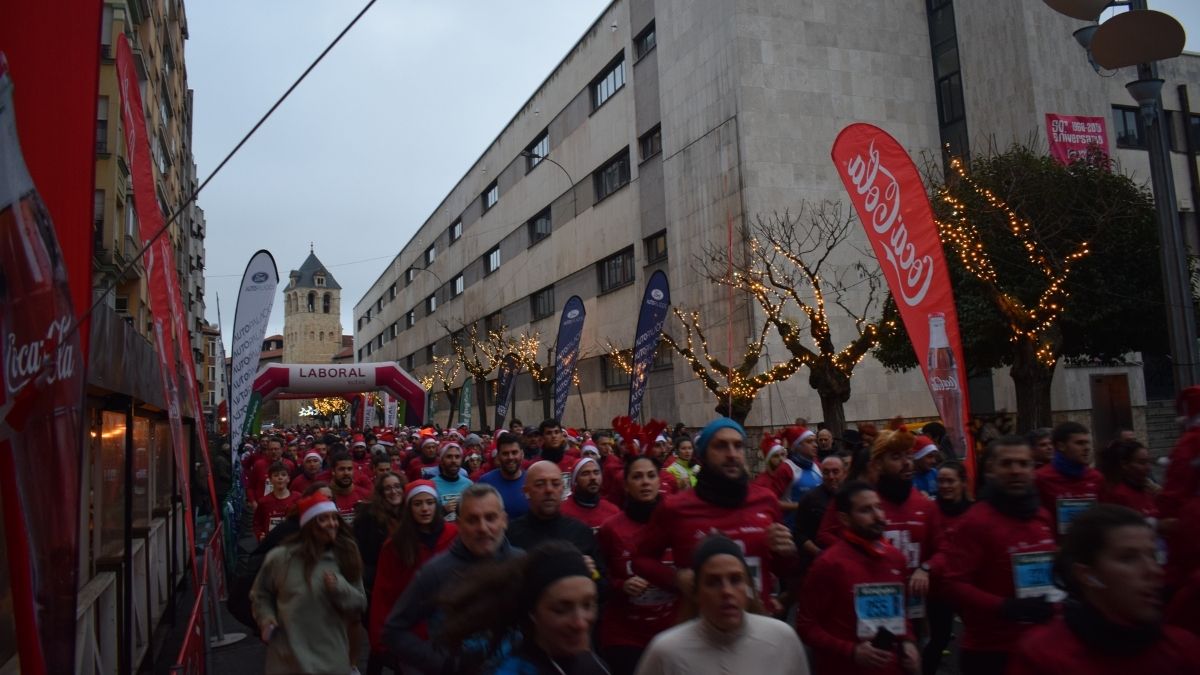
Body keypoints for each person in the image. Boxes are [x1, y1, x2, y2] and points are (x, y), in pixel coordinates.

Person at [1008, 505, 1200, 674]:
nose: (1154, 571)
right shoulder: (1043, 656)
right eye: (1128, 558)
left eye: (1153, 556)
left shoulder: (1182, 649)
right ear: (1087, 575)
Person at [634, 417, 799, 611]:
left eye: (738, 446)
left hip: (755, 623)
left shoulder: (766, 501)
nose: (731, 454)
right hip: (701, 626)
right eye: (720, 446)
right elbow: (640, 560)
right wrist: (675, 578)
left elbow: (783, 569)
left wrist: (787, 553)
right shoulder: (675, 507)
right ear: (703, 455)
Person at [940, 436, 1057, 675]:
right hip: (991, 652)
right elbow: (952, 584)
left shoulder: (1042, 517)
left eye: (1023, 464)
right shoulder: (974, 522)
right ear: (991, 470)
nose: (1016, 471)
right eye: (1007, 464)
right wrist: (1005, 607)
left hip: (1043, 644)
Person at [382, 483, 523, 674]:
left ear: (504, 520)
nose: (482, 528)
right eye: (472, 520)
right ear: (459, 525)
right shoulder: (435, 572)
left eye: (490, 518)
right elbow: (394, 630)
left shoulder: (521, 563)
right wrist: (442, 663)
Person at [636, 535, 810, 675]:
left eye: (735, 580)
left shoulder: (782, 638)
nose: (727, 591)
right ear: (696, 593)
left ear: (748, 586)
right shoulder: (666, 651)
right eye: (713, 582)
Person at [816, 428, 939, 621]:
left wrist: (926, 568)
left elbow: (942, 548)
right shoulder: (860, 503)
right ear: (878, 464)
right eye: (896, 457)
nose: (907, 463)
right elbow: (827, 537)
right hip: (866, 605)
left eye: (909, 455)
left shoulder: (925, 504)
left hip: (913, 606)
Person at [797, 482, 918, 674]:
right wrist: (852, 651)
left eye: (879, 507)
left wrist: (908, 641)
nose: (878, 516)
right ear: (844, 519)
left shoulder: (896, 559)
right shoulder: (828, 564)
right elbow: (806, 627)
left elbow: (900, 614)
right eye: (865, 510)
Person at [439, 542, 609, 674]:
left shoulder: (592, 665)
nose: (580, 623)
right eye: (561, 609)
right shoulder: (511, 670)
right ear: (533, 612)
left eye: (587, 605)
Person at [250, 493, 367, 675]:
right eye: (324, 519)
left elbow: (360, 603)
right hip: (287, 660)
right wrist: (266, 620)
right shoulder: (280, 558)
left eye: (334, 518)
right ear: (309, 525)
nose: (332, 524)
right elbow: (261, 594)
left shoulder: (346, 556)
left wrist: (339, 587)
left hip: (331, 659)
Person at [596, 456, 679, 674]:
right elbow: (599, 577)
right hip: (625, 635)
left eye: (651, 476)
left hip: (672, 630)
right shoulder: (611, 529)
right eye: (637, 476)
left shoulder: (678, 523)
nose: (645, 482)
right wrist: (621, 585)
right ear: (626, 485)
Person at [367, 480, 457, 675]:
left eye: (429, 503)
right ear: (409, 508)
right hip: (413, 636)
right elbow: (384, 594)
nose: (424, 509)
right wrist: (381, 641)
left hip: (453, 631)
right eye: (417, 504)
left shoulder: (455, 535)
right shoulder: (395, 545)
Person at [507, 461, 604, 577]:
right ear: (526, 491)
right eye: (540, 484)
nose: (549, 490)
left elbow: (601, 582)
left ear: (563, 489)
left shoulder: (581, 533)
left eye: (555, 484)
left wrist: (589, 574)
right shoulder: (510, 536)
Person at [921, 460, 973, 675]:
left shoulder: (974, 511)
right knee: (940, 638)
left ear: (962, 482)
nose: (945, 486)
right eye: (941, 481)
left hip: (968, 587)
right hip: (939, 588)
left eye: (950, 481)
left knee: (976, 636)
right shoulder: (930, 512)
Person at [1035, 421, 1103, 538]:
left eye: (1088, 443)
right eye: (1080, 443)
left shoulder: (1096, 477)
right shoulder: (1040, 478)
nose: (1086, 448)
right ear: (1061, 446)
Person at [353, 471, 405, 595]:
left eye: (397, 486)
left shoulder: (409, 513)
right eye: (387, 488)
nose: (393, 492)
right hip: (378, 581)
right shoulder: (368, 518)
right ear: (381, 493)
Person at [793, 455, 846, 559]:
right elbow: (799, 534)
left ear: (844, 473)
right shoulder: (810, 499)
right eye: (826, 472)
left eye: (835, 472)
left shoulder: (853, 496)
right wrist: (819, 553)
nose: (831, 477)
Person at [1097, 438, 1158, 519]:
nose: (1148, 467)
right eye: (1142, 462)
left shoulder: (1148, 490)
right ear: (1125, 465)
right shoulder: (1118, 495)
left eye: (1149, 461)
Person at [477, 433, 531, 519]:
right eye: (505, 453)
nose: (510, 457)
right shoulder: (485, 483)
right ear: (498, 456)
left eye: (514, 452)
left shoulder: (531, 481)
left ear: (522, 454)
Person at [561, 457, 620, 531]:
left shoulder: (613, 511)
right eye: (585, 474)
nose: (593, 478)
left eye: (596, 473)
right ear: (575, 480)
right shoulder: (562, 512)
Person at [253, 461, 299, 542]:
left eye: (283, 475)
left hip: (292, 542)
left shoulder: (298, 498)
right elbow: (257, 524)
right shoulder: (263, 502)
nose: (280, 478)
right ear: (270, 479)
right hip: (271, 542)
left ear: (288, 478)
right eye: (276, 475)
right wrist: (260, 535)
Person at [431, 441, 473, 522]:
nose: (453, 460)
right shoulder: (431, 485)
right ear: (442, 460)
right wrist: (443, 510)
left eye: (457, 457)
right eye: (449, 457)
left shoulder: (469, 485)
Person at [539, 419, 579, 498]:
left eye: (556, 432)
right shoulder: (535, 465)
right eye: (549, 433)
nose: (554, 436)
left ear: (561, 436)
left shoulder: (573, 462)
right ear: (542, 438)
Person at [329, 451, 371, 523]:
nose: (346, 473)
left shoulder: (366, 495)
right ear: (333, 471)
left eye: (349, 469)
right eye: (341, 469)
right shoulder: (326, 497)